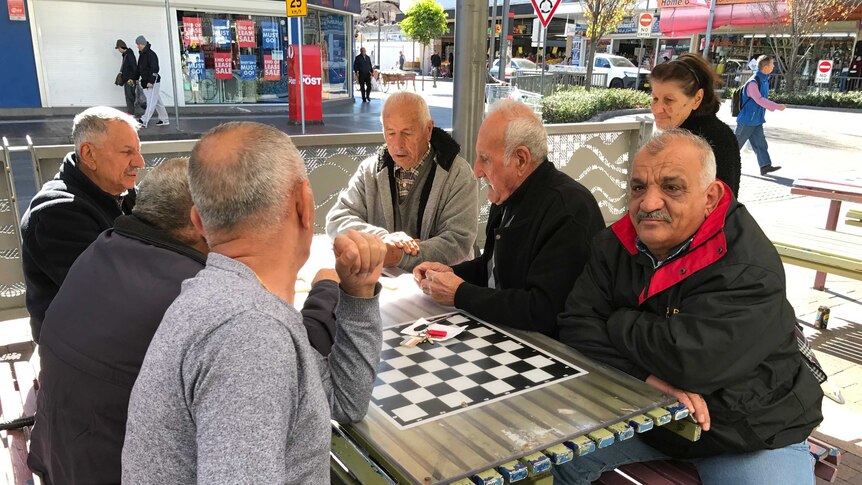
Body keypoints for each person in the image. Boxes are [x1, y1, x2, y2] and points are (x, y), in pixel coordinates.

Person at [27, 158, 343, 484]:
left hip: (61, 457)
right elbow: (297, 360)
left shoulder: (101, 250)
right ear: (200, 221)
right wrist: (327, 289)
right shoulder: (193, 295)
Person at [555, 130, 823, 484]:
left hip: (748, 431)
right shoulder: (615, 244)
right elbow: (575, 326)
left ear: (710, 197)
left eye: (671, 187)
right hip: (642, 417)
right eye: (638, 188)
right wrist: (646, 379)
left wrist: (617, 321)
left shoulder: (748, 266)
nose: (649, 203)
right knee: (539, 459)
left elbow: (692, 363)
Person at [122, 122, 386, 483]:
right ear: (304, 205)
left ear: (198, 222)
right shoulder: (249, 333)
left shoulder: (226, 299)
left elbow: (343, 401)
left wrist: (357, 294)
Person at [413, 100, 603, 337]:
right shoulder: (508, 195)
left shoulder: (570, 210)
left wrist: (460, 293)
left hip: (549, 357)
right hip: (506, 338)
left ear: (521, 160)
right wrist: (451, 274)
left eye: (485, 158)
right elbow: (492, 270)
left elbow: (543, 311)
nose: (476, 170)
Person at [21, 106, 142, 342]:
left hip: (108, 333)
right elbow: (110, 294)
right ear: (88, 154)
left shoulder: (121, 193)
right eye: (127, 152)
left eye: (138, 151)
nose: (139, 162)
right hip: (75, 347)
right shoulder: (57, 212)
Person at [326, 92, 477, 271]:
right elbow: (337, 219)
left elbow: (458, 242)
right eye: (390, 133)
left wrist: (397, 255)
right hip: (383, 283)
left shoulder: (457, 173)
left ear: (428, 130)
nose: (398, 145)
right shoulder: (370, 170)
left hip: (438, 286)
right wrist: (382, 239)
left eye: (407, 133)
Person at [649, 53, 741, 196]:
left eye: (668, 100)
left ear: (697, 98)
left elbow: (721, 205)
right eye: (655, 98)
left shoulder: (709, 139)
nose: (656, 108)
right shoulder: (681, 133)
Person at [735, 55, 786, 176]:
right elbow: (759, 99)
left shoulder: (763, 80)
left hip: (756, 120)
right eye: (772, 64)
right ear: (766, 67)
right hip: (747, 120)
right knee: (735, 145)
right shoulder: (753, 82)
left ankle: (765, 166)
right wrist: (777, 106)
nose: (774, 66)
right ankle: (720, 165)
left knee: (760, 144)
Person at [135, 35, 169, 127]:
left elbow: (155, 69)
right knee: (157, 101)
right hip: (147, 82)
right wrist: (137, 78)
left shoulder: (151, 54)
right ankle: (164, 119)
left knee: (151, 102)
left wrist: (151, 81)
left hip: (152, 82)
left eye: (138, 44)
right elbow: (140, 68)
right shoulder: (142, 55)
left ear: (142, 44)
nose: (137, 46)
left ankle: (144, 120)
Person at [115, 39, 138, 116]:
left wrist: (134, 78)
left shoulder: (129, 54)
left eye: (118, 48)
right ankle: (131, 111)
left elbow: (134, 66)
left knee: (129, 95)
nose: (118, 50)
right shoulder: (127, 54)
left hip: (130, 79)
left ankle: (131, 112)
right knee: (130, 95)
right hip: (129, 79)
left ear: (121, 47)